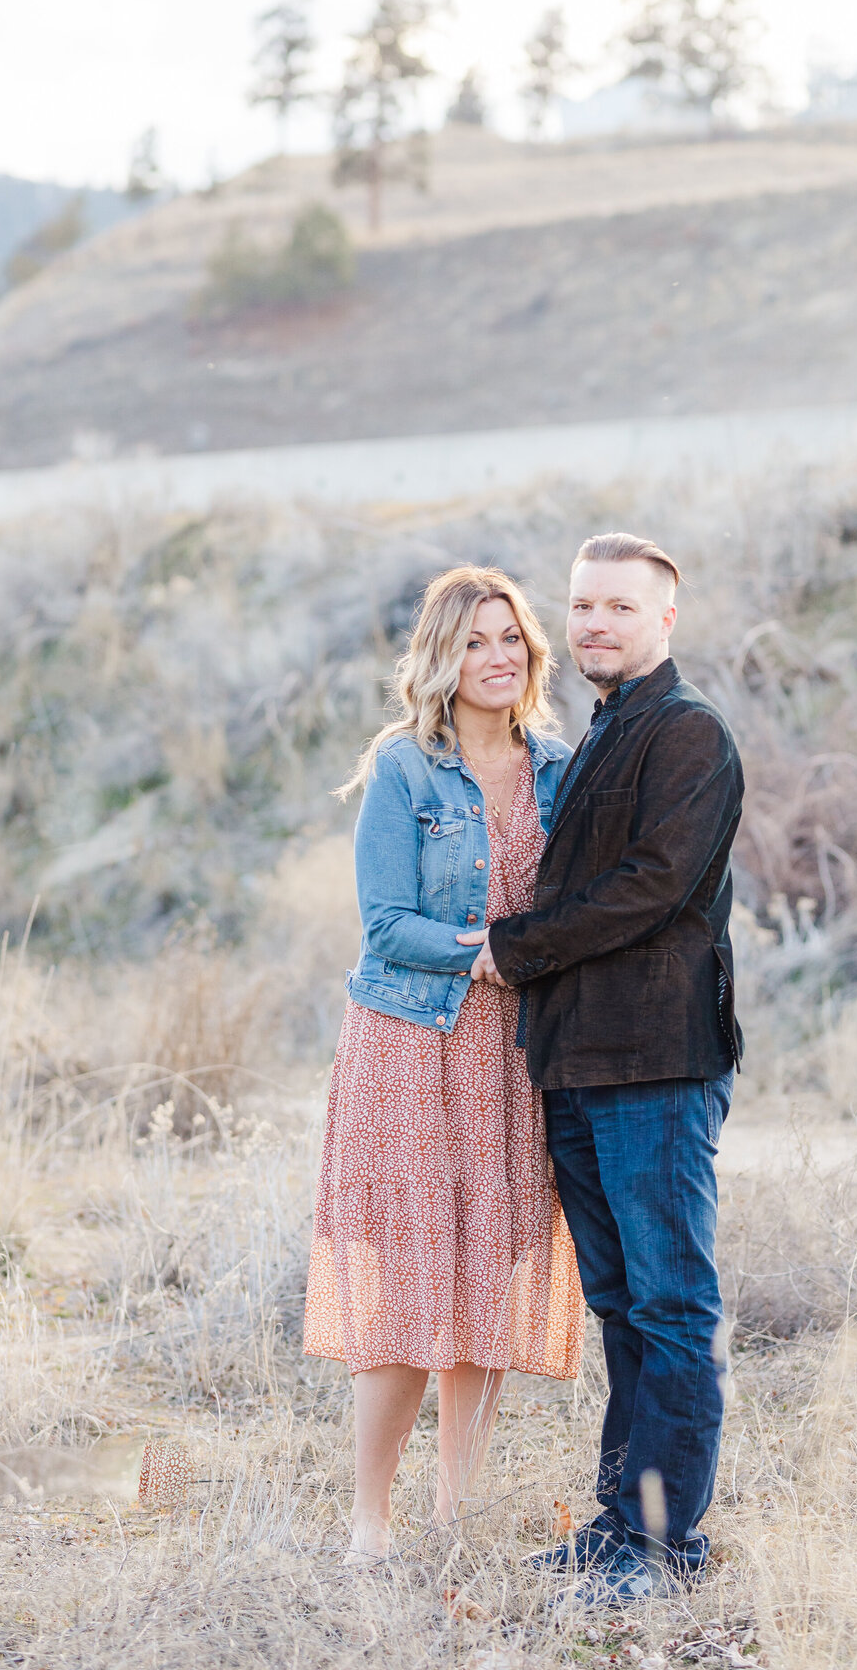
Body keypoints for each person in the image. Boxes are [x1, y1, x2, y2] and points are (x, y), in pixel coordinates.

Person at [461, 531, 745, 1605]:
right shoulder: (601, 732)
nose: (595, 625)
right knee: (623, 1306)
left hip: (658, 1064)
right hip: (580, 1063)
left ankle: (669, 1546)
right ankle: (623, 1525)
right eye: (582, 607)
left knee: (672, 1304)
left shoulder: (687, 734)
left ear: (664, 619)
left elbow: (652, 886)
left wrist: (514, 947)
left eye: (620, 608)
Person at [303, 565, 584, 1564]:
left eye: (511, 637)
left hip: (512, 1059)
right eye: (475, 641)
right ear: (441, 657)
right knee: (410, 1287)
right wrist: (498, 956)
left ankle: (453, 1516)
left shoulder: (558, 767)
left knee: (488, 1282)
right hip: (413, 1047)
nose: (498, 656)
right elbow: (385, 926)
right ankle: (368, 1523)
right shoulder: (404, 770)